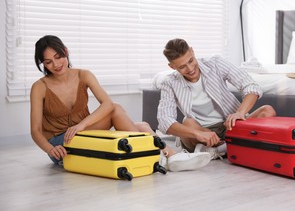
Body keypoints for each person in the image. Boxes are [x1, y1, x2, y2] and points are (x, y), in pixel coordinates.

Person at [30, 35, 211, 172]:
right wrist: (51, 149)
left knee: (141, 125)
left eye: (58, 56)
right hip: (61, 143)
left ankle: (166, 155)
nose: (56, 64)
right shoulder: (39, 87)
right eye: (48, 62)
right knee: (118, 111)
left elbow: (106, 103)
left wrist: (81, 125)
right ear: (43, 65)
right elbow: (36, 131)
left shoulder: (83, 75)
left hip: (83, 132)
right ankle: (166, 154)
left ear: (66, 51)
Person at [157, 38, 276, 159]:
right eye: (182, 67)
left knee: (267, 111)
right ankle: (230, 146)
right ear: (172, 66)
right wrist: (197, 134)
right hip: (202, 132)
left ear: (192, 51)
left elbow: (250, 85)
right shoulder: (169, 83)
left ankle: (219, 150)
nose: (190, 69)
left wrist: (240, 113)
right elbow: (164, 120)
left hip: (232, 124)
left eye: (191, 61)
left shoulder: (215, 63)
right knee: (188, 122)